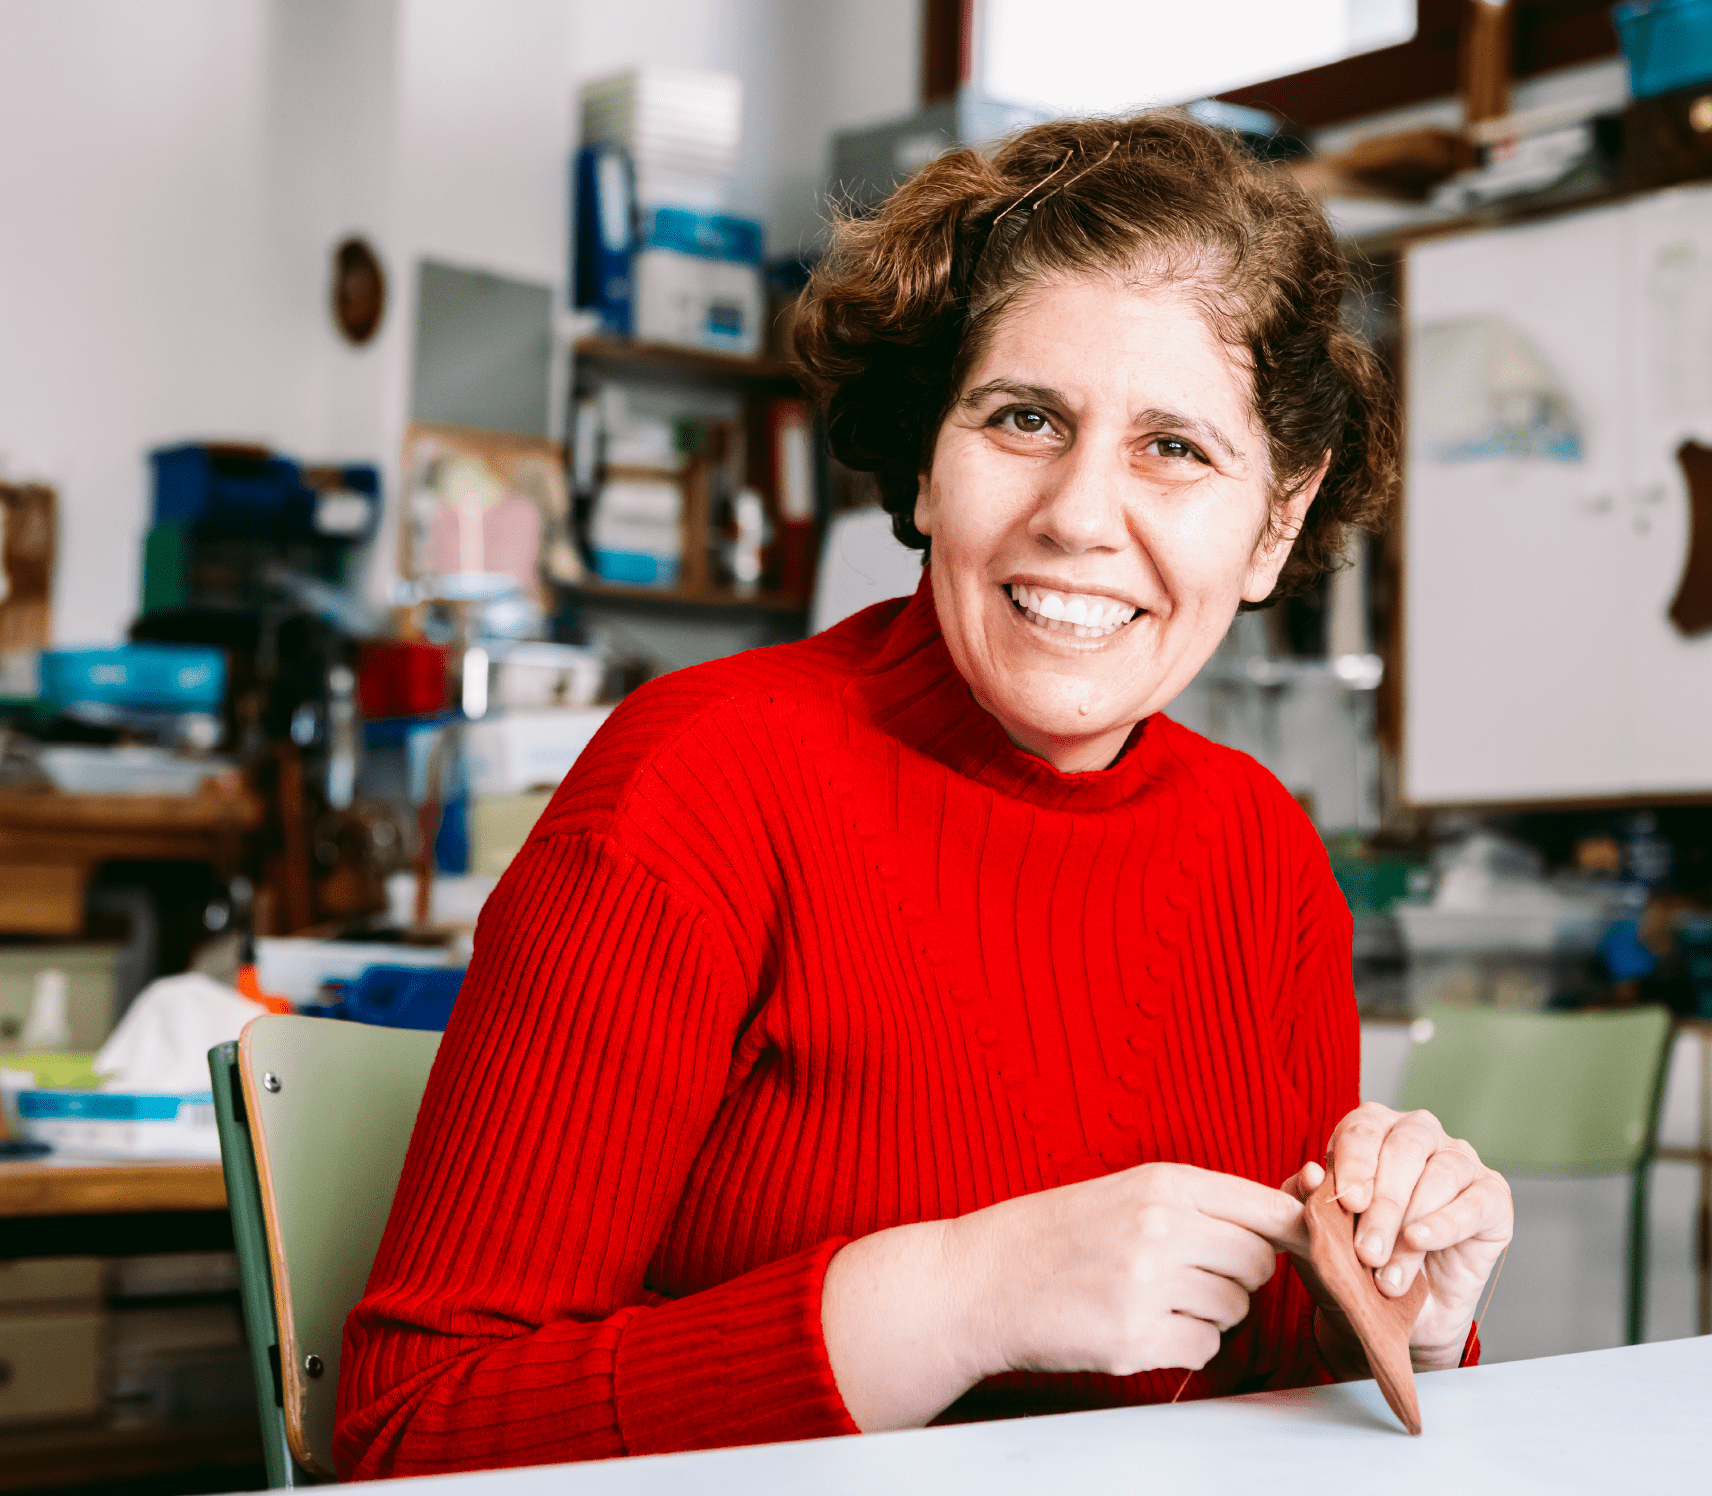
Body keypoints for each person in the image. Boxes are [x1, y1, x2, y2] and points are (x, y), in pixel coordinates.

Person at [336, 111, 1513, 1477]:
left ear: (1277, 523)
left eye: (1176, 449)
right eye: (1024, 419)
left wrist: (1405, 1321)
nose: (1078, 515)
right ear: (926, 462)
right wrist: (956, 1299)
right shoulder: (699, 784)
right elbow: (410, 1433)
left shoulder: (1263, 852)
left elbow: (1271, 1395)